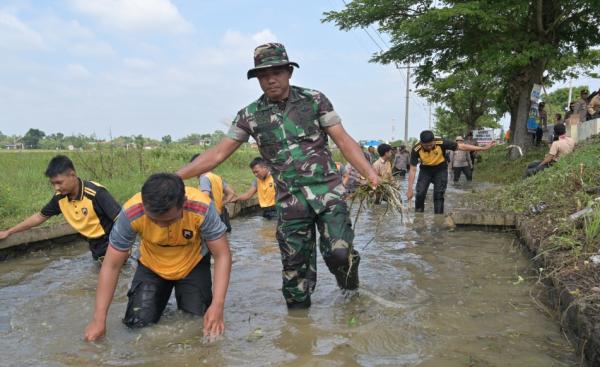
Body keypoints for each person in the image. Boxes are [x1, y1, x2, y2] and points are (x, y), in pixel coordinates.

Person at [177, 43, 379, 309]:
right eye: (263, 75)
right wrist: (174, 177)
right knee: (294, 280)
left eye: (277, 72)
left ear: (289, 72)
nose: (270, 80)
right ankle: (299, 337)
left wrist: (371, 174)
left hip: (328, 194)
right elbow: (216, 155)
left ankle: (350, 289)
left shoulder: (314, 100)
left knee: (340, 254)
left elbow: (343, 140)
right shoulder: (250, 115)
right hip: (290, 203)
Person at [84, 173, 231, 341]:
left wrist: (218, 305)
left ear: (183, 203)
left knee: (198, 325)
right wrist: (98, 319)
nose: (161, 226)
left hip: (193, 264)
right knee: (136, 324)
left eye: (169, 221)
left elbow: (222, 255)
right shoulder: (132, 212)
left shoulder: (202, 208)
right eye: (154, 220)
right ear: (145, 206)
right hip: (151, 265)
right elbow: (111, 265)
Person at [0, 155, 120, 261]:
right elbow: (39, 217)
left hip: (112, 242)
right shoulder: (60, 198)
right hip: (94, 244)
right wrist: (9, 232)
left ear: (72, 175)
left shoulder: (96, 193)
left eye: (59, 182)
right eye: (53, 184)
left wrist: (121, 247)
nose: (56, 188)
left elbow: (122, 220)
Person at [406, 130, 494, 214]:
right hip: (425, 170)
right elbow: (413, 170)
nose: (429, 147)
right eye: (426, 146)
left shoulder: (441, 142)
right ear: (421, 143)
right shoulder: (416, 149)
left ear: (434, 141)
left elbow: (462, 146)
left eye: (430, 144)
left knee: (438, 195)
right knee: (420, 193)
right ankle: (418, 217)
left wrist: (482, 148)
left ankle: (438, 218)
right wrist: (410, 189)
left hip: (440, 169)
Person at [190, 154, 236, 232]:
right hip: (221, 215)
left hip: (211, 217)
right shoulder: (217, 177)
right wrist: (222, 203)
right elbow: (231, 193)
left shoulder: (204, 178)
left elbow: (205, 196)